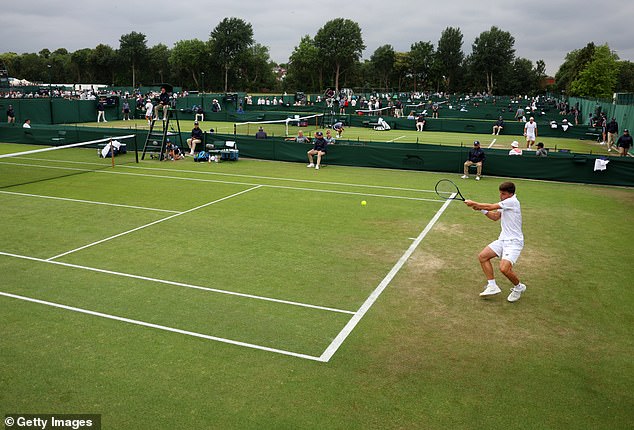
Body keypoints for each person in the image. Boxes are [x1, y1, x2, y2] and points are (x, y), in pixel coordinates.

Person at [464, 181, 527, 302]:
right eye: (500, 193)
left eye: (503, 194)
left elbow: (491, 206)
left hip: (514, 242)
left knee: (504, 269)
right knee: (483, 256)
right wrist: (481, 210)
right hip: (503, 239)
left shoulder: (512, 202)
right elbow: (495, 217)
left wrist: (474, 203)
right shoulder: (506, 203)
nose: (501, 196)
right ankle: (492, 286)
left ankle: (519, 287)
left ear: (510, 194)